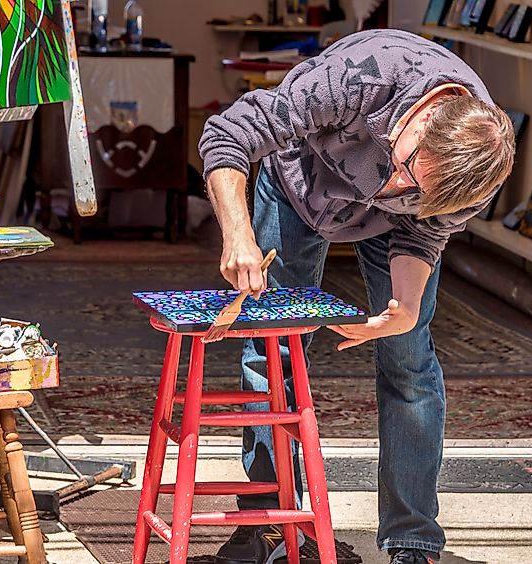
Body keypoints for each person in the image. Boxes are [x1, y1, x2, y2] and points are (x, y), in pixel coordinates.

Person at [198, 29, 515, 564]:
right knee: (270, 350)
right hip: (299, 187)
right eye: (406, 167)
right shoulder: (358, 78)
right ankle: (274, 525)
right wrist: (238, 234)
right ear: (419, 117)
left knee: (409, 360)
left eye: (416, 192)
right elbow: (228, 133)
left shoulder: (469, 178)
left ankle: (413, 539)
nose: (395, 187)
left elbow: (423, 231)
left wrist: (404, 312)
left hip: (387, 233)